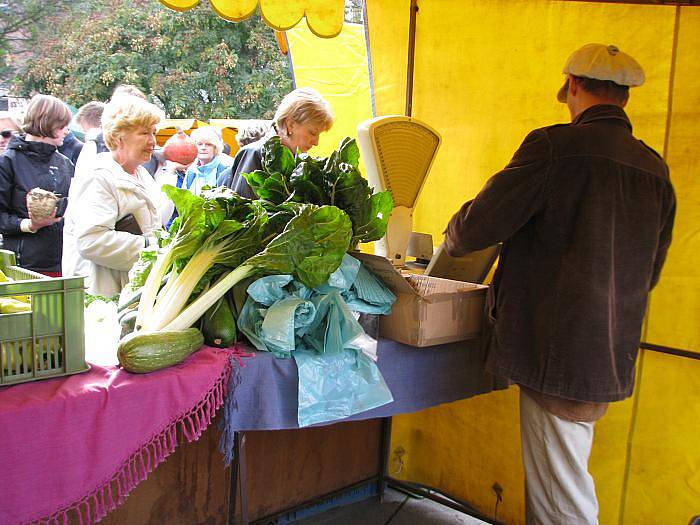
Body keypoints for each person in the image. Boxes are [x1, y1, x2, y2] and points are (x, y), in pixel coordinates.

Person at [444, 43, 675, 524]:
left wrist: (453, 233)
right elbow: (650, 270)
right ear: (625, 99)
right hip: (608, 349)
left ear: (572, 86)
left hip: (558, 348)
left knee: (561, 495)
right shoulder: (654, 168)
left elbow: (477, 227)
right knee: (561, 475)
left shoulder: (555, 147)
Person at [70, 95, 167, 296]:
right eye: (144, 133)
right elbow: (91, 241)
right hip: (108, 291)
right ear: (118, 136)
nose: (152, 141)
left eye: (153, 133)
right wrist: (150, 246)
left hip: (135, 289)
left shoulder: (141, 174)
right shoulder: (99, 177)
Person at [0, 94, 74, 276]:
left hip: (63, 262)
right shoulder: (8, 162)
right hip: (24, 266)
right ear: (47, 123)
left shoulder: (65, 164)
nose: (67, 131)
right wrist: (30, 225)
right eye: (62, 126)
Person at [219, 87, 333, 198]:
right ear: (290, 125)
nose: (316, 142)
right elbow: (245, 213)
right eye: (313, 133)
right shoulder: (255, 154)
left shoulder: (301, 163)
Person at [182, 126, 233, 194]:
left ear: (216, 147)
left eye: (208, 144)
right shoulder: (191, 172)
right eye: (199, 144)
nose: (203, 148)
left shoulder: (226, 169)